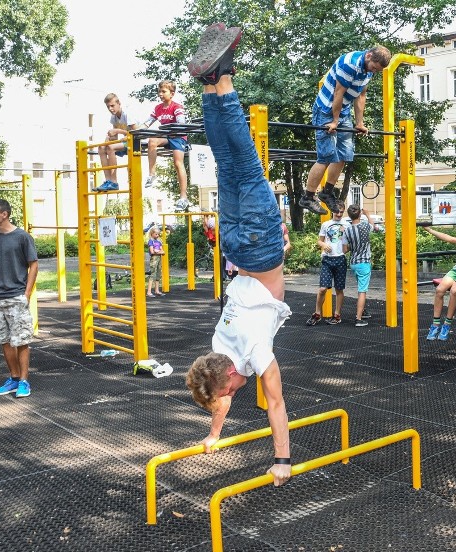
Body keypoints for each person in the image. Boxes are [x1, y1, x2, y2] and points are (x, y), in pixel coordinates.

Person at [184, 23, 291, 486]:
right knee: (228, 162)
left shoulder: (249, 350)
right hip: (231, 242)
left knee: (245, 159)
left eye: (228, 390)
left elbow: (278, 404)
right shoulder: (217, 349)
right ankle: (213, 82)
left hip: (260, 245)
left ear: (227, 376)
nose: (231, 395)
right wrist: (214, 434)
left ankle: (223, 81)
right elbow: (218, 394)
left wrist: (282, 461)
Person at [298, 46, 392, 215]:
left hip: (344, 111)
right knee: (326, 156)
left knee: (345, 154)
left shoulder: (369, 69)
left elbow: (361, 95)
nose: (374, 72)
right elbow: (338, 93)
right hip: (326, 110)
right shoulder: (349, 64)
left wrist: (360, 123)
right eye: (374, 68)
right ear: (369, 56)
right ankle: (308, 197)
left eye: (377, 70)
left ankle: (326, 192)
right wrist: (334, 121)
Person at [0, 199, 39, 399]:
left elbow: (34, 265)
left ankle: (24, 381)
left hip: (16, 296)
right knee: (4, 340)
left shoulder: (22, 237)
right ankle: (14, 378)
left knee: (21, 340)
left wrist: (27, 293)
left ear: (4, 214)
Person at [143, 80, 191, 211]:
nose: (160, 94)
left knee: (177, 163)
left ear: (172, 93)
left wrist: (173, 127)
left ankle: (183, 197)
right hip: (166, 136)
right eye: (159, 91)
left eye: (163, 91)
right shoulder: (157, 108)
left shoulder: (177, 107)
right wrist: (135, 132)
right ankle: (152, 174)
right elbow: (147, 123)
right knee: (152, 141)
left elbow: (181, 123)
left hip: (178, 136)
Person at [306, 200, 349, 326]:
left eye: (341, 212)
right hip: (327, 259)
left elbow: (351, 239)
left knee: (339, 289)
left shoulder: (346, 224)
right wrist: (324, 245)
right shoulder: (326, 224)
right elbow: (319, 241)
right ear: (332, 211)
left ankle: (337, 315)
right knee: (322, 289)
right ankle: (317, 313)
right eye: (337, 211)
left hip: (340, 258)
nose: (339, 214)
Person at [95, 93, 137, 192]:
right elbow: (114, 138)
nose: (110, 109)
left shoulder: (127, 114)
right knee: (102, 148)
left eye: (112, 106)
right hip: (126, 141)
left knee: (110, 148)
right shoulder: (113, 118)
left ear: (119, 103)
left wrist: (118, 131)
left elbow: (136, 133)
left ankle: (114, 182)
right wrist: (108, 139)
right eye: (108, 107)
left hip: (136, 142)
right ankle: (108, 180)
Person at [342, 204, 372, 327]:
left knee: (360, 287)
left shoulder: (347, 230)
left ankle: (362, 310)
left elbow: (344, 249)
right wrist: (368, 214)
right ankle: (358, 318)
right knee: (362, 291)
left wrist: (354, 246)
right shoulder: (365, 226)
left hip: (354, 262)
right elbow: (374, 226)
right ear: (359, 214)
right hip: (364, 262)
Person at [146, 227, 165, 298]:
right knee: (152, 274)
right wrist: (156, 251)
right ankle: (149, 291)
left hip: (159, 258)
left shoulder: (159, 241)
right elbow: (152, 251)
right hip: (154, 259)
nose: (157, 235)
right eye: (156, 234)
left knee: (158, 274)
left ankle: (157, 290)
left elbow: (163, 251)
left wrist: (157, 251)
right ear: (152, 234)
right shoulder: (151, 241)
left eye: (158, 234)